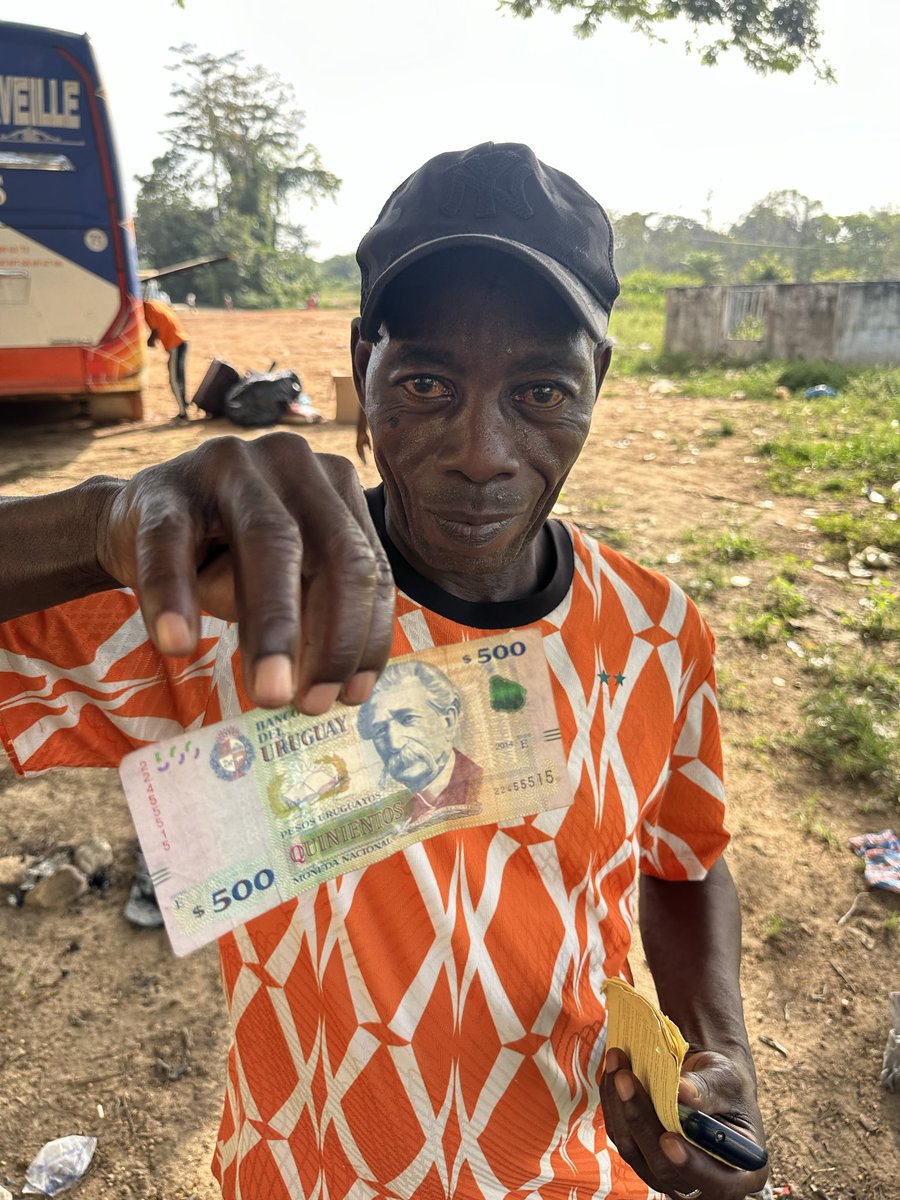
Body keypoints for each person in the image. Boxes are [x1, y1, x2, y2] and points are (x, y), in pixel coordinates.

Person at [0, 142, 768, 1200]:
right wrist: (98, 521)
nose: (482, 451)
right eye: (424, 381)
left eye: (542, 391)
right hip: (304, 1171)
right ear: (359, 366)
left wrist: (716, 1050)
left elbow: (686, 863)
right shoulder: (232, 600)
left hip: (570, 1173)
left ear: (601, 381)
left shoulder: (654, 633)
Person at [357, 659, 483, 829]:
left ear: (448, 720)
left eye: (408, 719)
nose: (394, 743)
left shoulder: (486, 785)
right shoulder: (390, 816)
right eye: (380, 730)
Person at [142, 297, 189, 420]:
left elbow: (155, 331)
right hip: (181, 339)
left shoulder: (147, 309)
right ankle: (184, 405)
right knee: (179, 377)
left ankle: (183, 414)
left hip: (175, 343)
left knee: (174, 379)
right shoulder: (154, 303)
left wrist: (147, 343)